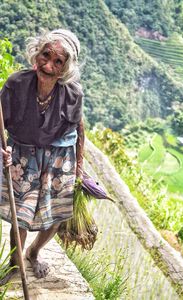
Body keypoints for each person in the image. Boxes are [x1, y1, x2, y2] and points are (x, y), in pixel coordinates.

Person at [0, 28, 84, 281]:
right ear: (37, 53)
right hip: (24, 154)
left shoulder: (73, 93)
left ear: (66, 68)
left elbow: (80, 128)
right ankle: (16, 264)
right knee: (21, 215)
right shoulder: (16, 83)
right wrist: (2, 149)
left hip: (59, 156)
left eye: (58, 61)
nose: (48, 65)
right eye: (45, 55)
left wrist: (79, 166)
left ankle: (34, 253)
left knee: (55, 215)